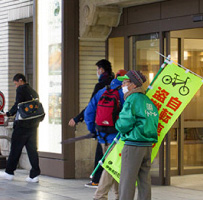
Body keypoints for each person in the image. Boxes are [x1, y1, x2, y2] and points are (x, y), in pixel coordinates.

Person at [68, 59, 114, 188]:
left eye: (97, 69)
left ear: (101, 70)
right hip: (115, 127)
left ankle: (97, 180)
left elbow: (90, 108)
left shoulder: (101, 86)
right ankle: (109, 180)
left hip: (102, 126)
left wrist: (78, 119)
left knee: (100, 153)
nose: (97, 72)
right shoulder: (116, 84)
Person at [115, 70, 159, 200]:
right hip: (147, 145)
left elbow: (124, 123)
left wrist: (117, 126)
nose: (122, 85)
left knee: (127, 181)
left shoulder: (131, 100)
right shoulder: (148, 101)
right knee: (144, 180)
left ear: (134, 84)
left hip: (133, 145)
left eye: (125, 82)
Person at [84, 70, 126, 200]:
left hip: (102, 136)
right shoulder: (124, 94)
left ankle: (120, 196)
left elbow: (88, 113)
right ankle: (99, 196)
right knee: (111, 168)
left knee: (115, 167)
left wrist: (93, 131)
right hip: (117, 138)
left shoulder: (102, 91)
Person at [0, 73, 42, 183]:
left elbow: (18, 104)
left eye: (16, 83)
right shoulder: (33, 91)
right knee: (32, 150)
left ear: (21, 80)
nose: (16, 86)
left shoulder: (21, 89)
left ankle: (9, 172)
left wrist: (8, 113)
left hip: (22, 125)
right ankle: (34, 174)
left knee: (15, 149)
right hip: (33, 124)